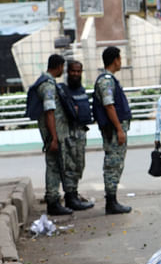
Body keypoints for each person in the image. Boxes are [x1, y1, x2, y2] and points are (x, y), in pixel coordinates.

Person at [93, 46, 132, 214]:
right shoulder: (106, 80)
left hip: (115, 129)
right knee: (113, 164)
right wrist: (119, 129)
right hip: (113, 131)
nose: (121, 62)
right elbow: (109, 106)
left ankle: (113, 200)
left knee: (116, 164)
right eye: (120, 58)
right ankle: (111, 201)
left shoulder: (109, 79)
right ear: (115, 59)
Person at [32, 54, 72, 216]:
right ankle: (53, 201)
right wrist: (54, 137)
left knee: (55, 166)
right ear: (59, 66)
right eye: (62, 67)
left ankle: (54, 200)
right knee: (54, 166)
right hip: (52, 134)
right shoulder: (48, 85)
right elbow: (49, 112)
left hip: (54, 132)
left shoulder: (46, 81)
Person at [60, 60, 94, 211]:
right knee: (71, 166)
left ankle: (74, 194)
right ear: (68, 72)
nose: (75, 74)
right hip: (70, 134)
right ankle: (70, 198)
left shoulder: (80, 89)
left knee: (79, 165)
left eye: (78, 71)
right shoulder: (63, 90)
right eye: (73, 71)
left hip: (81, 133)